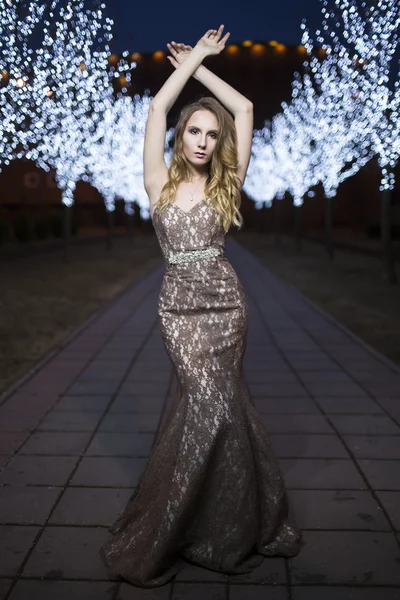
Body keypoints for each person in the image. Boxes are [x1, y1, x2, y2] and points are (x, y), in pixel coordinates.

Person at [100, 25, 303, 588]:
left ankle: (227, 526)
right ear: (180, 135)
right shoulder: (158, 180)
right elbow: (159, 106)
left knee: (220, 410)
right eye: (194, 130)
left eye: (211, 135)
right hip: (178, 312)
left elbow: (243, 106)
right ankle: (179, 525)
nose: (202, 140)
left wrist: (209, 64)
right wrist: (186, 68)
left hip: (225, 307)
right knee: (211, 407)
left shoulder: (227, 184)